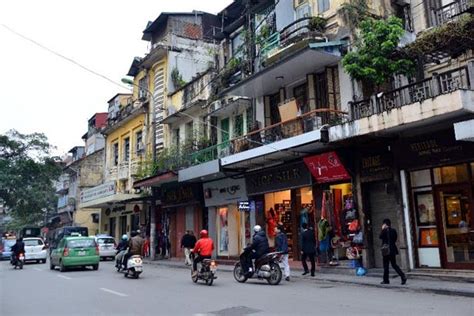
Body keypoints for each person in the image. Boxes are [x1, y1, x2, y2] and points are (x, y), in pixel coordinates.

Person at [380, 219, 407, 285]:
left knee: (386, 265)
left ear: (385, 224)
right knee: (394, 264)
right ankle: (403, 276)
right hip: (392, 250)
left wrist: (382, 229)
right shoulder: (393, 230)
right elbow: (395, 239)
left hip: (386, 250)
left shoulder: (384, 231)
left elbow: (380, 237)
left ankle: (386, 280)